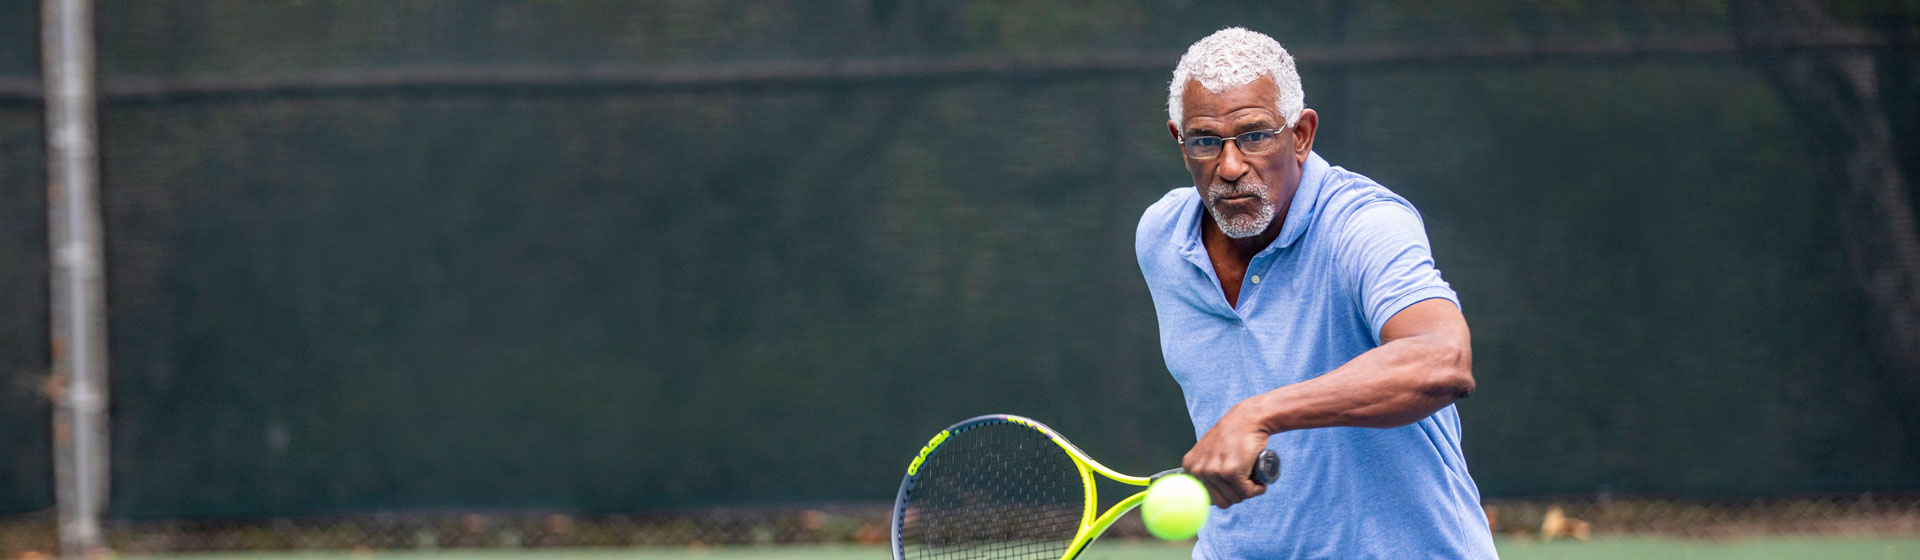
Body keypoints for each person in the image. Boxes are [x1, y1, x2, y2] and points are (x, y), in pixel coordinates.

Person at [1136, 28, 1497, 558]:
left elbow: (1443, 359)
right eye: (1206, 141)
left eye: (1255, 135)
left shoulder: (1365, 224)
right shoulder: (1160, 238)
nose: (1230, 166)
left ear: (1301, 134)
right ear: (1180, 142)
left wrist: (1258, 414)